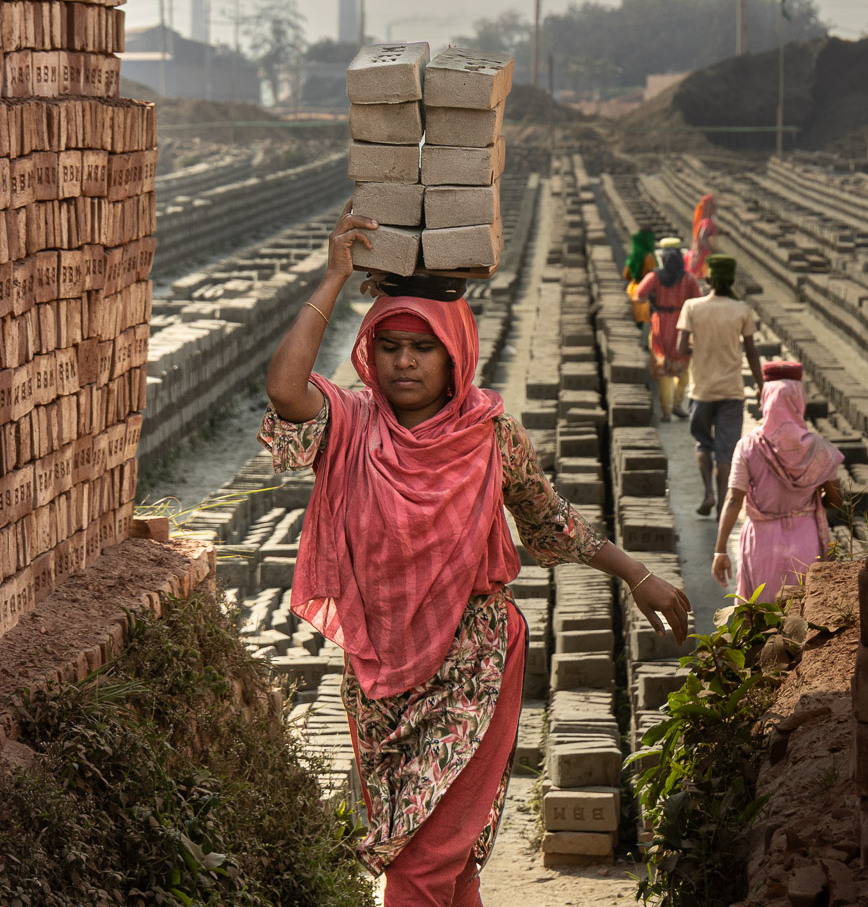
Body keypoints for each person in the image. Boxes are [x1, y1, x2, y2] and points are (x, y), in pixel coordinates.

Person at [259, 201, 691, 907]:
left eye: (422, 347)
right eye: (390, 344)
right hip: (379, 674)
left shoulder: (489, 436)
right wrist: (334, 276)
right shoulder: (350, 424)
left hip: (474, 663)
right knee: (440, 854)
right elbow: (284, 390)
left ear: (454, 351)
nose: (404, 361)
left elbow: (549, 517)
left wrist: (635, 572)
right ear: (369, 349)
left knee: (421, 863)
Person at [712, 362, 844, 602]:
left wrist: (720, 550)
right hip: (805, 543)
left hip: (761, 544)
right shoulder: (818, 449)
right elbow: (836, 501)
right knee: (802, 618)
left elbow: (733, 499)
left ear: (765, 399)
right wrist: (810, 502)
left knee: (761, 620)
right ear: (798, 400)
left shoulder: (749, 446)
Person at [675, 254, 763, 517]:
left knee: (703, 444)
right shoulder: (742, 310)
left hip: (701, 389)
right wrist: (761, 386)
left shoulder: (692, 307)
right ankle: (725, 503)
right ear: (731, 279)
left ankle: (708, 494)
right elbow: (751, 352)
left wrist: (699, 346)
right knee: (726, 451)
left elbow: (681, 348)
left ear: (710, 278)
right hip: (731, 391)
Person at [633, 236, 700, 422]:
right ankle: (678, 403)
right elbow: (698, 300)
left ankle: (666, 411)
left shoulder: (654, 276)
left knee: (662, 369)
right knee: (683, 364)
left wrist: (654, 301)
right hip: (683, 324)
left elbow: (639, 295)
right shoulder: (688, 278)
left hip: (660, 323)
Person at [623, 226, 657, 328]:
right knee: (645, 324)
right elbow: (654, 277)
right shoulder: (649, 257)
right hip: (645, 294)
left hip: (632, 290)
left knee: (635, 324)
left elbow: (626, 275)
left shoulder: (632, 256)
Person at [687, 193, 717, 284]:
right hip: (704, 256)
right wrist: (713, 251)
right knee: (704, 281)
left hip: (698, 254)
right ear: (709, 208)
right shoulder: (707, 222)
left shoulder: (702, 221)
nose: (715, 208)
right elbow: (702, 237)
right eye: (713, 206)